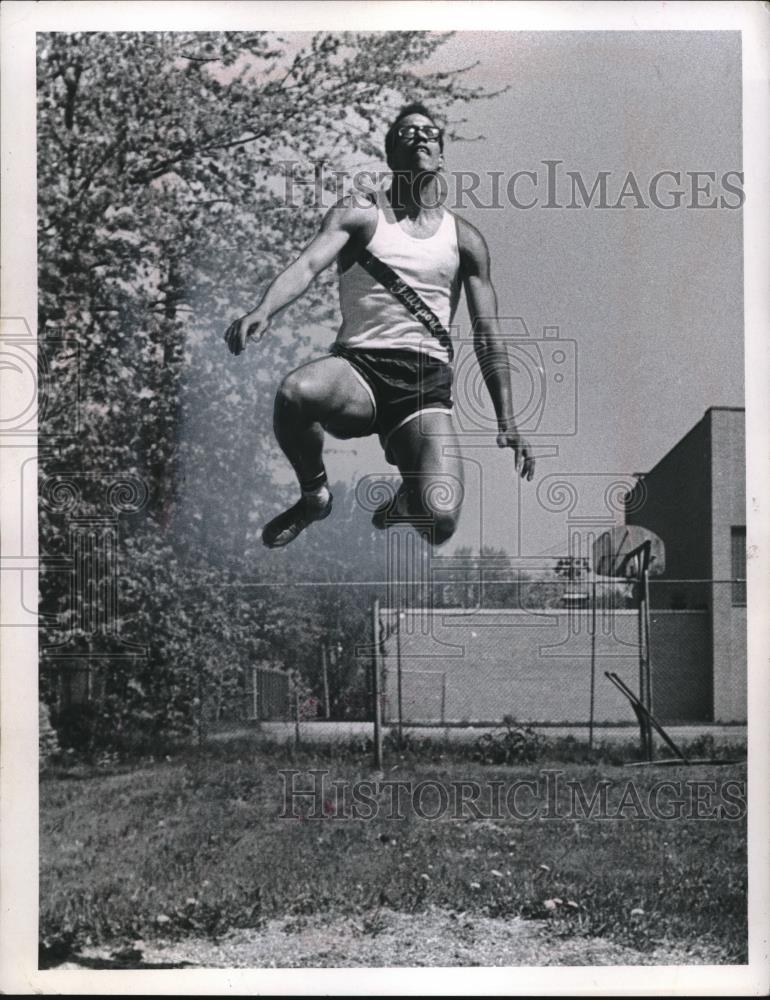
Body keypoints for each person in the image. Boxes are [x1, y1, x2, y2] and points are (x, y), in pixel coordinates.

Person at [224, 102, 535, 548]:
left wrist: (507, 418)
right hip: (360, 370)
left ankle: (408, 501)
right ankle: (315, 496)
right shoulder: (361, 214)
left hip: (425, 386)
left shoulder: (465, 240)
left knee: (440, 523)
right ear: (390, 156)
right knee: (295, 394)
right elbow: (308, 264)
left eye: (430, 133)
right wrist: (264, 309)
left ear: (442, 156)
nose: (421, 138)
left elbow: (488, 332)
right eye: (407, 134)